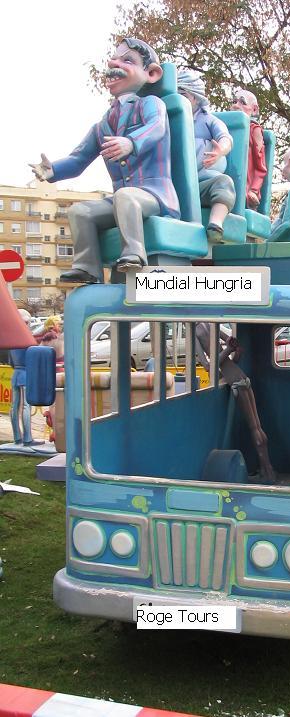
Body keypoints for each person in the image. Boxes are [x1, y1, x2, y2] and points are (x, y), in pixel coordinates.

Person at [30, 38, 180, 283]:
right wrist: (53, 170)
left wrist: (131, 142)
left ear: (151, 73)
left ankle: (134, 254)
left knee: (126, 197)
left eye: (127, 60)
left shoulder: (151, 104)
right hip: (122, 199)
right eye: (114, 59)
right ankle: (87, 267)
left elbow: (157, 127)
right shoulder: (102, 125)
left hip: (155, 194)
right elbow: (79, 159)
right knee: (80, 211)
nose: (114, 64)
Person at [195, 323, 275, 484]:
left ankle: (268, 475)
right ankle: (268, 470)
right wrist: (230, 349)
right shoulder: (211, 324)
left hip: (235, 382)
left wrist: (227, 351)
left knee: (254, 428)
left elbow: (208, 366)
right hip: (242, 377)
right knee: (257, 427)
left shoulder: (194, 332)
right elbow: (237, 350)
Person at [177, 70, 236, 243]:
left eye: (183, 94)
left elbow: (225, 138)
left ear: (195, 98)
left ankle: (215, 223)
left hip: (201, 182)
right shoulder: (167, 119)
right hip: (172, 184)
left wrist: (220, 151)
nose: (178, 99)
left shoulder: (209, 120)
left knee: (224, 183)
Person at [8, 310, 44, 448]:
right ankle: (27, 438)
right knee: (25, 406)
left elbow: (11, 362)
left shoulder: (12, 340)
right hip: (25, 374)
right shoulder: (27, 339)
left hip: (16, 374)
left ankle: (17, 437)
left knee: (14, 406)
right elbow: (34, 359)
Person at [231, 88, 267, 210]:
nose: (236, 106)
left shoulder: (254, 130)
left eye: (242, 102)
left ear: (254, 109)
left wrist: (254, 190)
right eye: (234, 101)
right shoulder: (224, 127)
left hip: (245, 188)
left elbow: (260, 167)